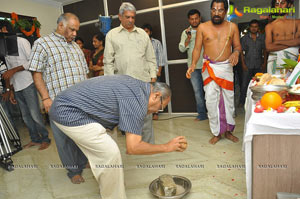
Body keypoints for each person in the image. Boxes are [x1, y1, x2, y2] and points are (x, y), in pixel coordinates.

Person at [49, 75, 187, 199]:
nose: (157, 111)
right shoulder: (137, 101)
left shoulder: (139, 87)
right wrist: (167, 147)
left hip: (72, 106)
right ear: (156, 96)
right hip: (67, 111)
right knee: (109, 153)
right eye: (161, 107)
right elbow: (133, 147)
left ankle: (112, 182)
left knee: (110, 146)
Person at [29, 13, 89, 184]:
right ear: (61, 25)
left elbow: (84, 72)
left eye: (76, 30)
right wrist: (46, 98)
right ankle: (73, 170)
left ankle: (83, 162)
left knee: (82, 135)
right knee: (64, 139)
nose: (75, 34)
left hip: (81, 102)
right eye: (72, 29)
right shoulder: (43, 44)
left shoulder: (76, 47)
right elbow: (36, 73)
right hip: (59, 102)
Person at [186, 0, 242, 145]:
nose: (217, 13)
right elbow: (197, 48)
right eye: (214, 10)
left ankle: (228, 131)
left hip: (226, 67)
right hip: (209, 68)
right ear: (210, 10)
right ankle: (216, 132)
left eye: (220, 10)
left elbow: (237, 46)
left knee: (229, 100)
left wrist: (235, 53)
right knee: (211, 100)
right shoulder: (202, 27)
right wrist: (192, 65)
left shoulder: (232, 27)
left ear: (225, 11)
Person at [104, 2, 157, 144]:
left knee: (146, 117)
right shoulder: (111, 35)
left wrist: (153, 78)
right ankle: (134, 144)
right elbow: (108, 62)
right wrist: (110, 83)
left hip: (143, 82)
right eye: (127, 17)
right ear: (120, 17)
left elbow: (151, 58)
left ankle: (147, 145)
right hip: (122, 85)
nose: (131, 20)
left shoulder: (142, 35)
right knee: (127, 117)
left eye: (133, 17)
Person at [0, 20, 51, 150]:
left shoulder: (22, 42)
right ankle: (35, 139)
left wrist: (14, 70)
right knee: (26, 117)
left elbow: (32, 62)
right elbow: (9, 70)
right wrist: (10, 89)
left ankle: (45, 139)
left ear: (4, 30)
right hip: (16, 86)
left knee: (34, 114)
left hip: (28, 82)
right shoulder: (4, 46)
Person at [179, 9, 208, 121]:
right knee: (198, 92)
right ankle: (202, 114)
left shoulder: (206, 29)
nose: (194, 21)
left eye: (196, 18)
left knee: (211, 91)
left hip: (207, 65)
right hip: (193, 67)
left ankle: (213, 114)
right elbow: (181, 48)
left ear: (200, 18)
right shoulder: (185, 32)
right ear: (189, 20)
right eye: (192, 19)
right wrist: (188, 39)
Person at [265, 0, 300, 75]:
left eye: (282, 3)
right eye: (277, 4)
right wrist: (291, 43)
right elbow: (268, 47)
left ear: (289, 5)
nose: (279, 6)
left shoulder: (297, 22)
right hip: (274, 60)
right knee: (275, 84)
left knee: (292, 85)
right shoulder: (270, 26)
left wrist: (277, 42)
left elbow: (298, 41)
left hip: (292, 61)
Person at [142, 23, 167, 120]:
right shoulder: (140, 43)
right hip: (144, 73)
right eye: (143, 32)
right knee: (146, 93)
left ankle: (156, 112)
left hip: (155, 72)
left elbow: (160, 58)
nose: (145, 33)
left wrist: (159, 71)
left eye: (147, 31)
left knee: (156, 92)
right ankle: (148, 112)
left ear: (150, 32)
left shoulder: (156, 43)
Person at [240, 19, 267, 105]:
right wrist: (243, 64)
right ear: (249, 28)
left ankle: (259, 101)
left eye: (256, 27)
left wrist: (264, 63)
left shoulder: (262, 37)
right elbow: (241, 52)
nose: (254, 28)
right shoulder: (244, 39)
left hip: (259, 64)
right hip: (248, 64)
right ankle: (242, 102)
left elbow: (265, 50)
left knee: (259, 84)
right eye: (252, 27)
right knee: (245, 84)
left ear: (258, 28)